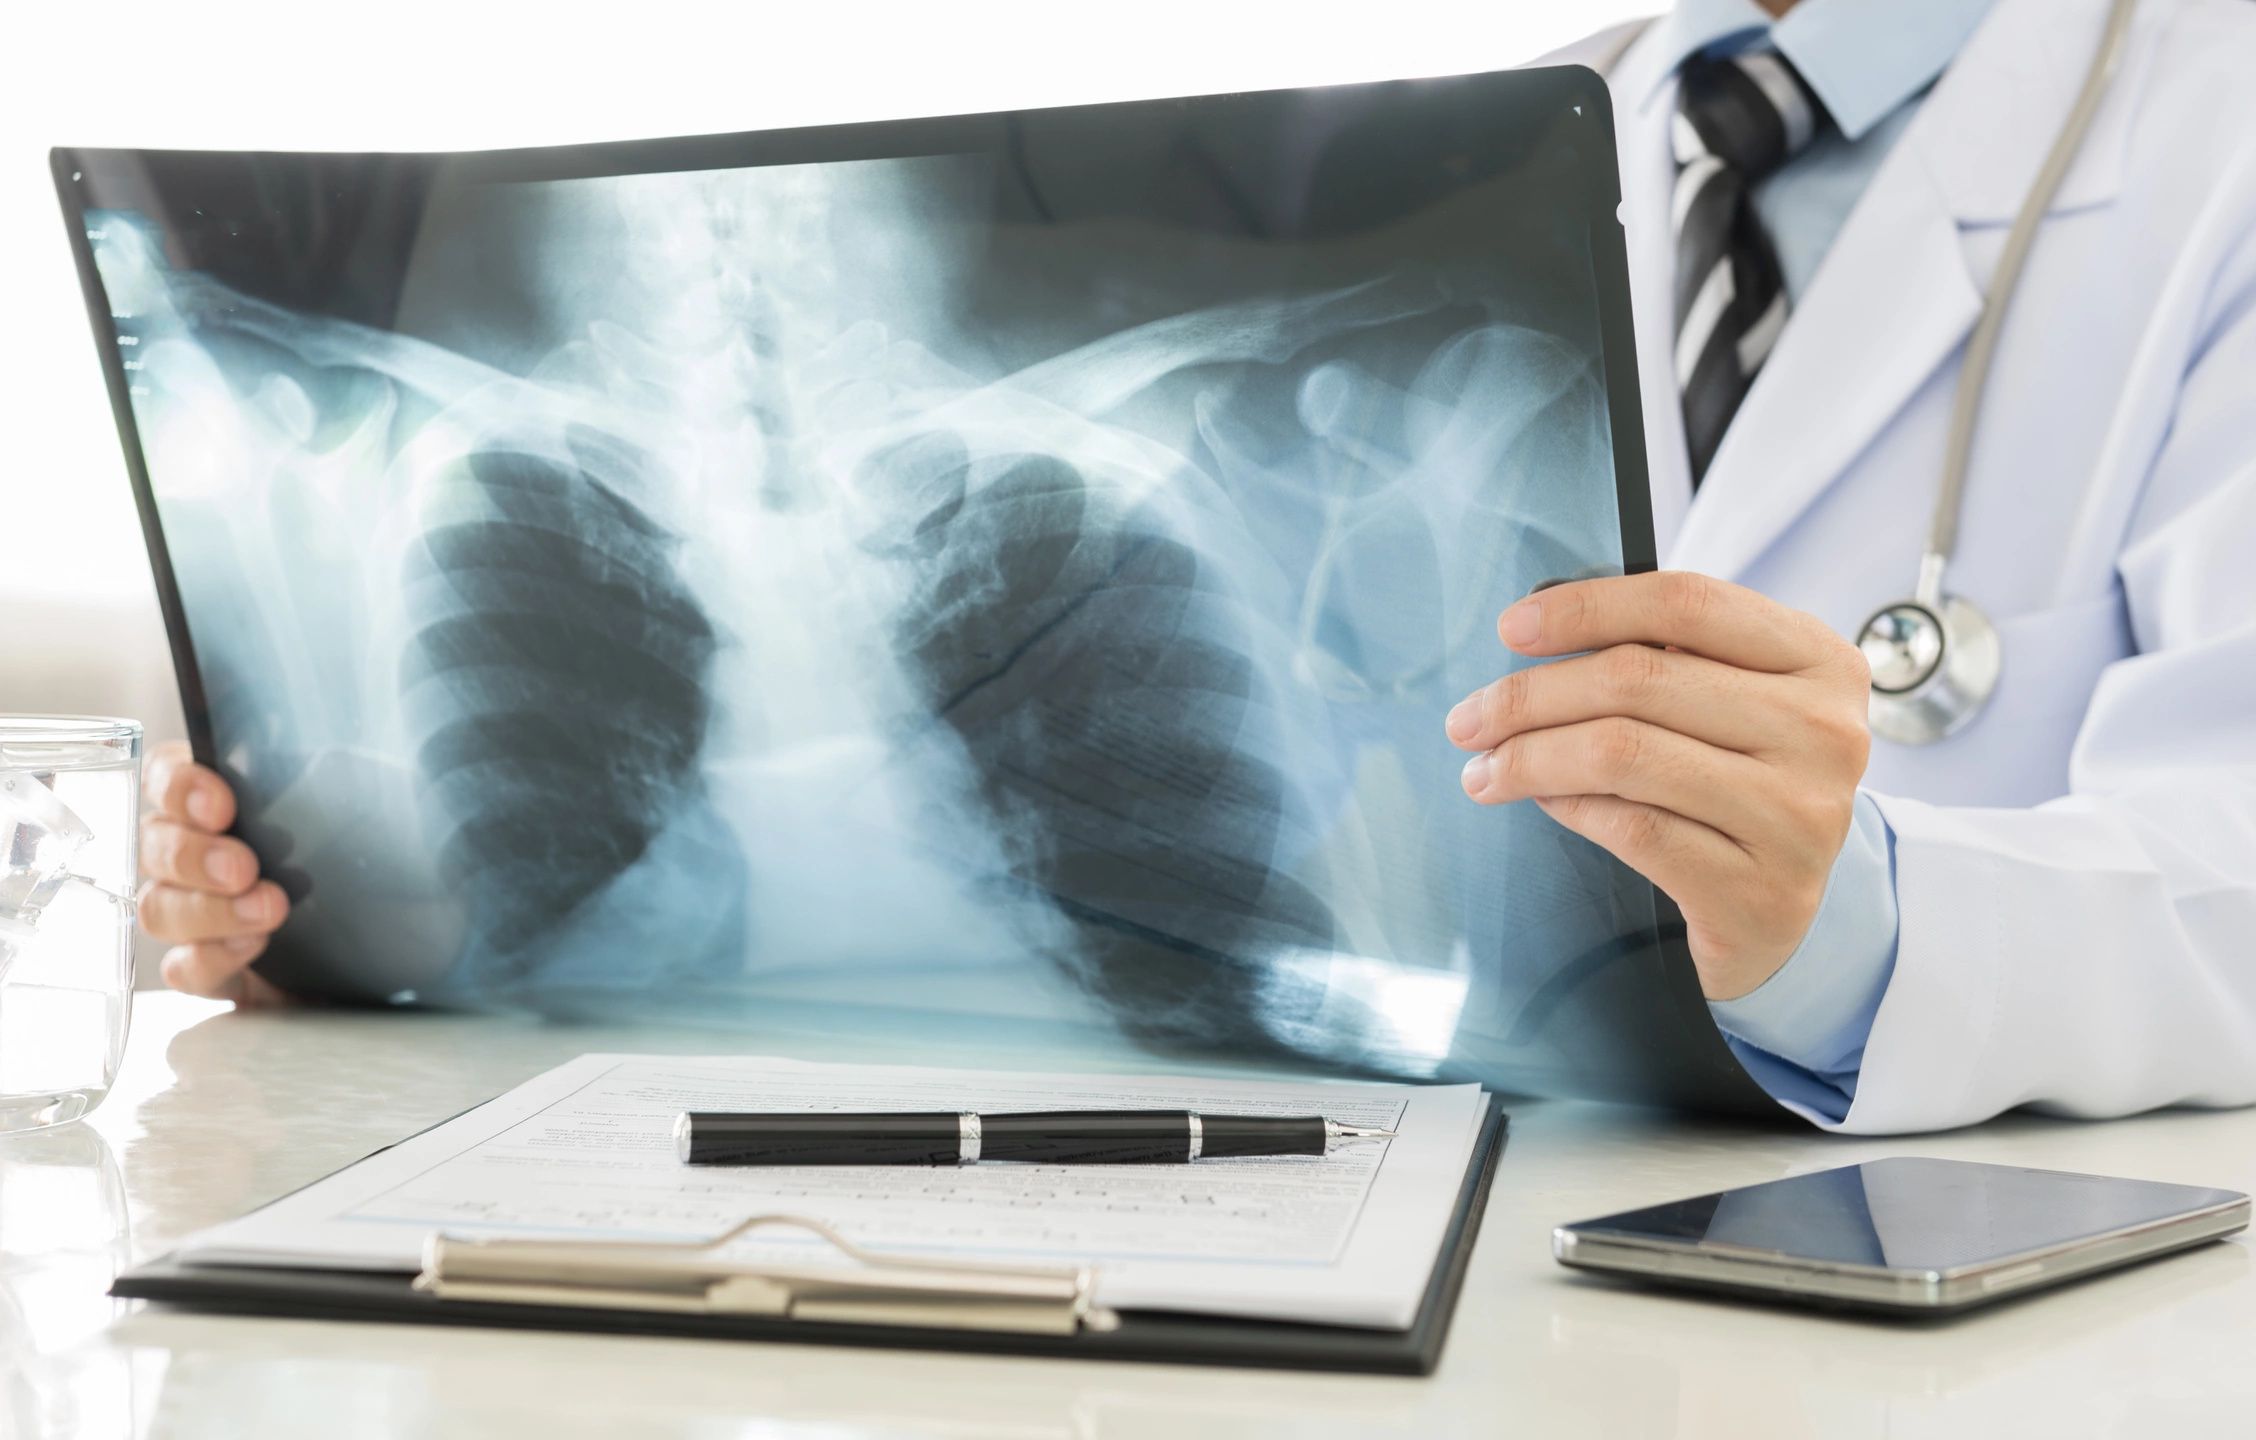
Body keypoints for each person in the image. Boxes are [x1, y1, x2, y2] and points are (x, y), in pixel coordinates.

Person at [139, 0, 2256, 1134]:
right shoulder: (1506, 140)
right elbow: (1336, 894)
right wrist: (367, 904)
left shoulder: (2215, 144)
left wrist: (1849, 927)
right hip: (1435, 1270)